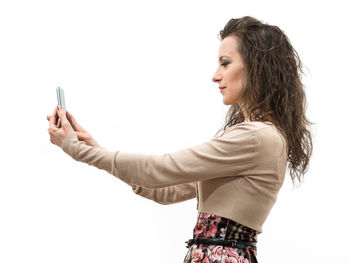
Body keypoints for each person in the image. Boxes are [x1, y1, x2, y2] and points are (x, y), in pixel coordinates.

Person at [47, 16, 313, 263]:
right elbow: (164, 190)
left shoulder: (257, 137)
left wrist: (76, 149)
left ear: (256, 66)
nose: (215, 75)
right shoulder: (259, 136)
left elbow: (161, 169)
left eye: (225, 62)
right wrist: (94, 149)